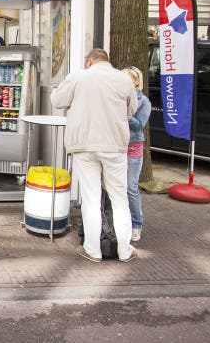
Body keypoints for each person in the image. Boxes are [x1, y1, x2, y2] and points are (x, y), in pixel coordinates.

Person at [50, 48, 139, 263]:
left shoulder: (78, 77)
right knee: (119, 200)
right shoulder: (123, 80)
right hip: (114, 146)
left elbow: (56, 100)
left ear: (89, 61)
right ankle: (125, 250)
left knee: (90, 199)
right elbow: (132, 109)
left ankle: (92, 250)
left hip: (85, 145)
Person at [122, 66, 151, 243]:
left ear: (136, 81)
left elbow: (139, 125)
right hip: (118, 146)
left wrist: (125, 113)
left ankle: (136, 224)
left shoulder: (144, 101)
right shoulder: (118, 97)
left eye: (128, 78)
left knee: (131, 187)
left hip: (133, 147)